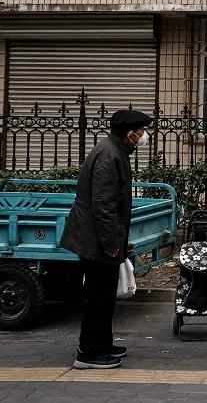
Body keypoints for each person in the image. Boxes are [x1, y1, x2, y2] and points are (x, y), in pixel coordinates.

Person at [61, 109, 152, 370]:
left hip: (99, 239)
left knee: (104, 296)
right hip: (97, 241)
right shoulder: (108, 155)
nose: (144, 137)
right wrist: (111, 243)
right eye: (141, 131)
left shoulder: (114, 151)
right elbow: (103, 205)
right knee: (97, 296)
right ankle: (88, 353)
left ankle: (102, 344)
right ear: (129, 133)